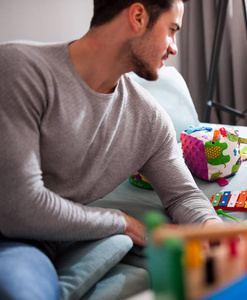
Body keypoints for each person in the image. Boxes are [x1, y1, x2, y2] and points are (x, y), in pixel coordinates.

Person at [0, 0, 222, 298]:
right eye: (171, 30)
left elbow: (183, 195)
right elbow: (19, 207)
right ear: (138, 16)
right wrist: (125, 224)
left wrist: (211, 228)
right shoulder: (21, 69)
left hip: (32, 247)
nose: (174, 47)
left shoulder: (148, 118)